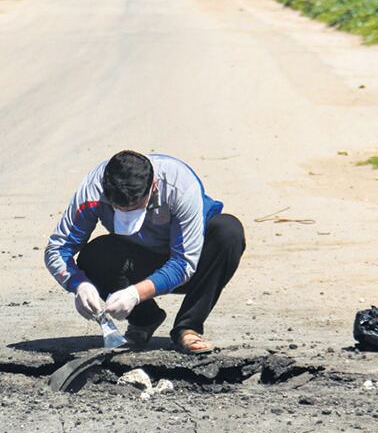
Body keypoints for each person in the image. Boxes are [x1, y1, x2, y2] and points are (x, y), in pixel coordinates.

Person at [44, 150, 245, 354]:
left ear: (153, 186)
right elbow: (57, 249)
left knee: (229, 232)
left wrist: (135, 294)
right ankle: (144, 320)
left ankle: (188, 327)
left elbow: (184, 263)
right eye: (119, 208)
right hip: (138, 258)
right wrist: (79, 284)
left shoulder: (180, 185)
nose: (127, 213)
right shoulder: (93, 190)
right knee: (95, 255)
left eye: (136, 207)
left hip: (192, 263)